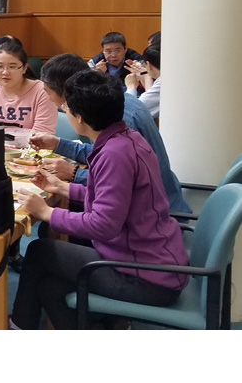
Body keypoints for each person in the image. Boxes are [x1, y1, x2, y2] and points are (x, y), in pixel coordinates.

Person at [11, 71, 188, 330]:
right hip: (155, 261)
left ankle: (18, 326)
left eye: (67, 108)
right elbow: (113, 198)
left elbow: (103, 224)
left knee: (39, 251)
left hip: (146, 276)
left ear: (80, 118)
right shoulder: (125, 138)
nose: (64, 112)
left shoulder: (114, 154)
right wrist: (63, 188)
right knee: (50, 286)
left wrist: (47, 212)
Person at [29, 53, 188, 213]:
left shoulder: (120, 120)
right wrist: (58, 144)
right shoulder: (113, 103)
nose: (48, 99)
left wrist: (75, 174)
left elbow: (119, 183)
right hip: (147, 208)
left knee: (57, 220)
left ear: (69, 91)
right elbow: (104, 157)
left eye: (48, 92)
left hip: (152, 213)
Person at [0, 38, 56, 135]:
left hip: (28, 149)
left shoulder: (42, 91)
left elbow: (41, 135)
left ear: (24, 68)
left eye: (12, 67)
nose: (5, 72)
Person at [125, 45, 161, 120]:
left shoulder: (162, 83)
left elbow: (132, 111)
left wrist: (131, 86)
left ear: (148, 65)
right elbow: (151, 100)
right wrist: (146, 77)